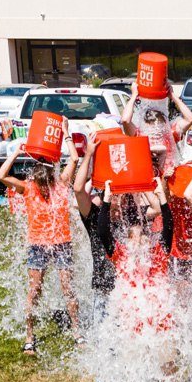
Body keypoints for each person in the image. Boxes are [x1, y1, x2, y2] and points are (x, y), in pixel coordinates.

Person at [97, 177, 192, 382]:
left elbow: (169, 226)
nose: (140, 240)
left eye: (143, 235)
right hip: (134, 329)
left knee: (171, 378)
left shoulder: (159, 256)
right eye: (134, 236)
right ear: (127, 242)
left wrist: (161, 196)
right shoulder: (120, 258)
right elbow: (103, 231)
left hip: (161, 327)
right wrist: (106, 197)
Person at [0, 118, 82, 355]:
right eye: (40, 181)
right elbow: (1, 175)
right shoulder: (28, 188)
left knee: (68, 289)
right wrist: (16, 151)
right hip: (38, 245)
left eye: (45, 182)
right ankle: (29, 336)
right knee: (35, 289)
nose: (43, 187)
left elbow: (74, 159)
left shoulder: (61, 184)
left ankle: (76, 331)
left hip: (61, 242)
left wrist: (65, 133)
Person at [72, 133, 116, 327]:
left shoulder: (131, 216)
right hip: (104, 289)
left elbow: (157, 208)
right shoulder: (94, 217)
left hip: (129, 290)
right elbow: (78, 190)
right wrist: (89, 154)